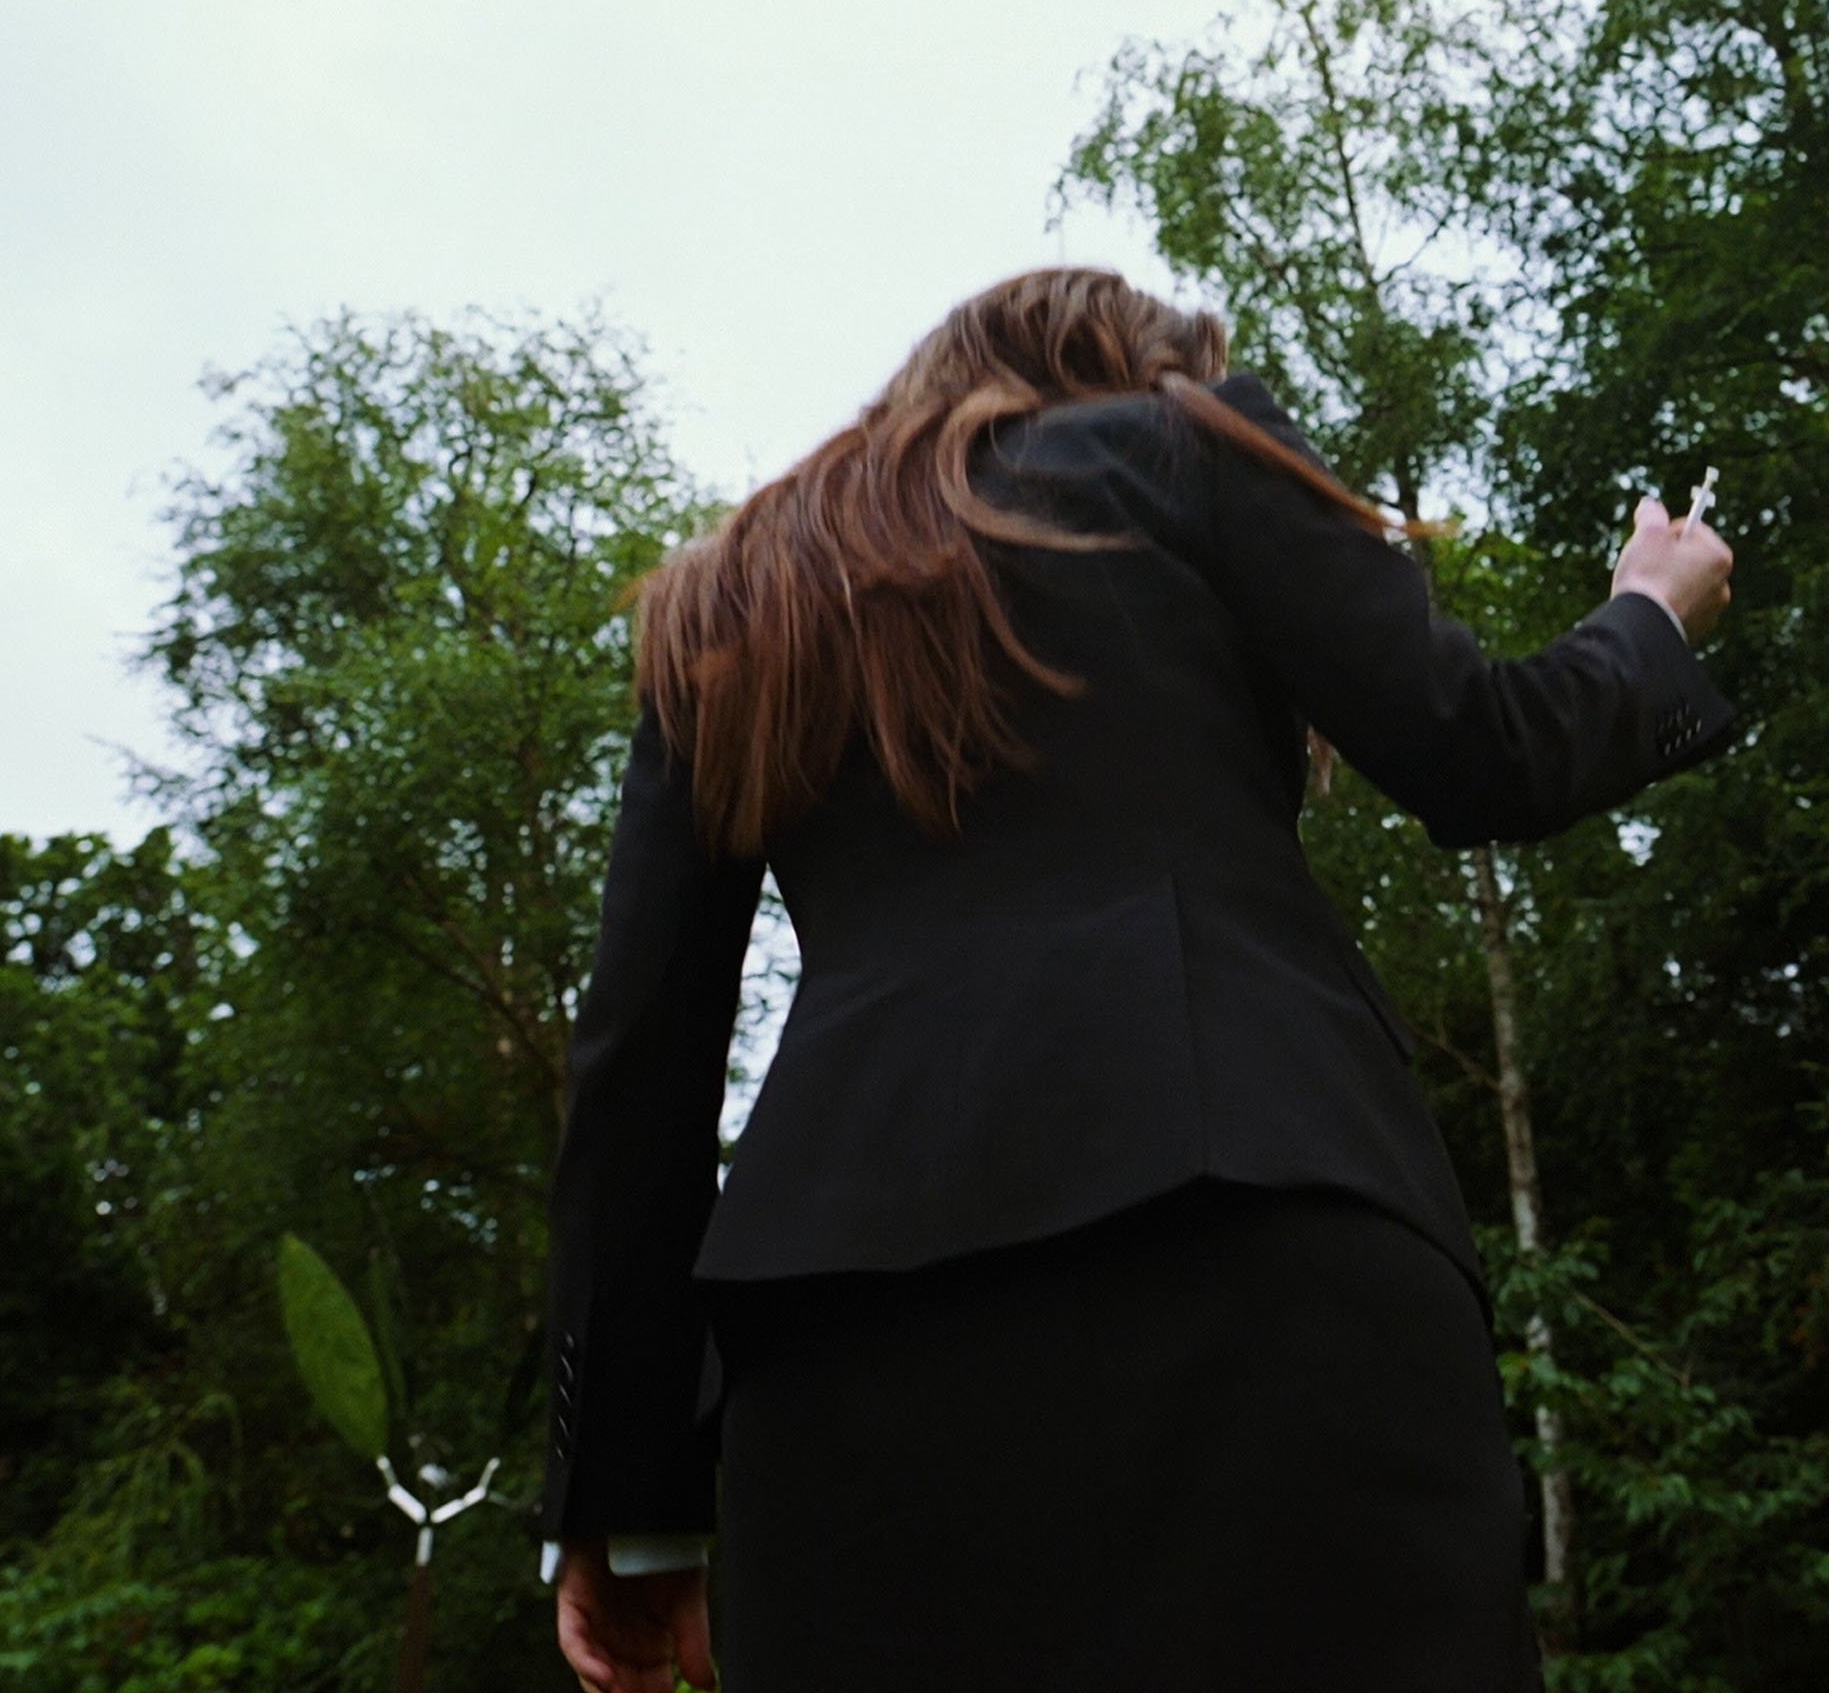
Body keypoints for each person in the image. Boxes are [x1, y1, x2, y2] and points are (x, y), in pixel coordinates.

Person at [539, 268, 1737, 1691]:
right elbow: (1486, 751)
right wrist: (1649, 614)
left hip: (839, 1333)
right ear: (1133, 364)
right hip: (1264, 1239)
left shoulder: (731, 591)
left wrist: (628, 1504)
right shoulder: (1178, 442)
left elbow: (641, 1064)